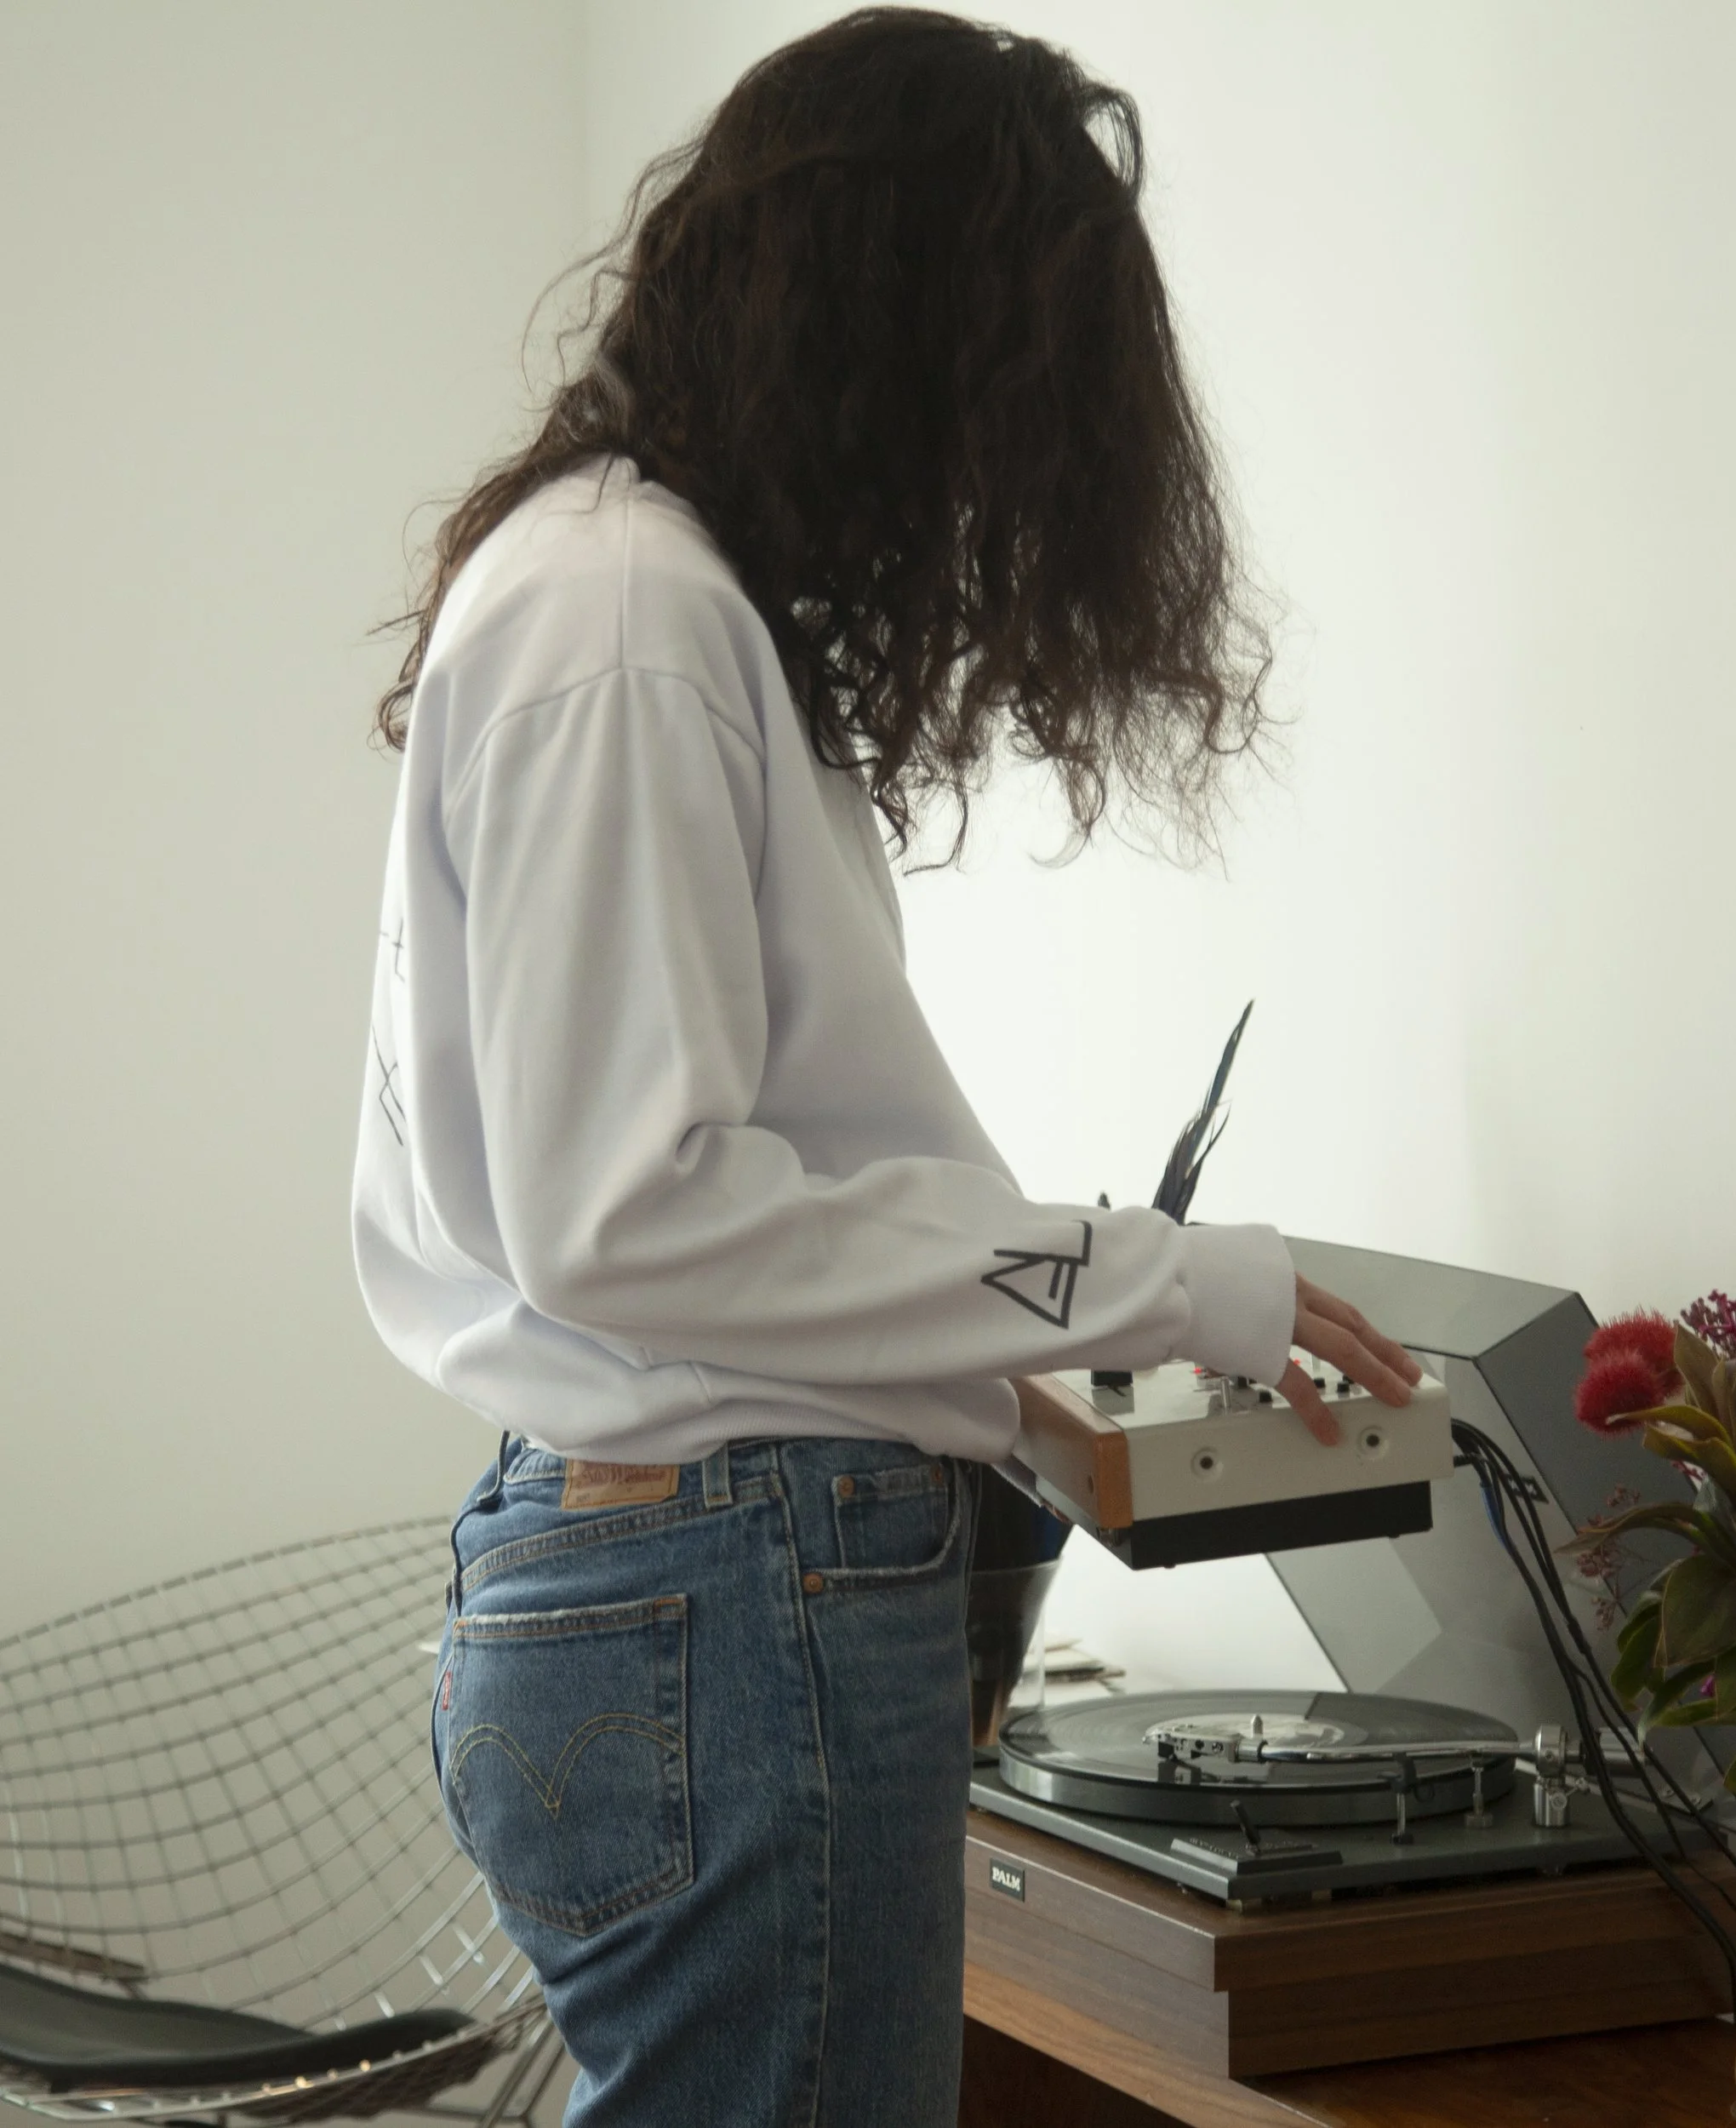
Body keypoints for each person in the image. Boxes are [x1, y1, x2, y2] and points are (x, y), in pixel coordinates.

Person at [352, 9, 1418, 2123]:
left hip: (666, 1572)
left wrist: (1019, 1390)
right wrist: (1158, 1279)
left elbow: (680, 1198)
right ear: (894, 322)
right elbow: (634, 1212)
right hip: (717, 1592)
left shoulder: (630, 592)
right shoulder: (630, 619)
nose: (1006, 467)